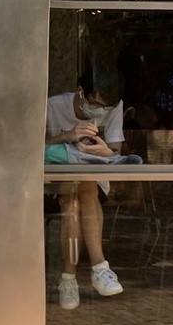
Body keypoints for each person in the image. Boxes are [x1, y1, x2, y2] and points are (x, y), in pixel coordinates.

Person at [45, 73, 129, 310]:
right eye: (94, 104)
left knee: (78, 196)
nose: (100, 111)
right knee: (77, 192)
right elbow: (30, 146)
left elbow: (115, 151)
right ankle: (99, 268)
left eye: (105, 107)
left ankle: (68, 279)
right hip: (54, 183)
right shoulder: (53, 107)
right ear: (80, 92)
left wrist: (105, 151)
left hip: (91, 181)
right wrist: (68, 136)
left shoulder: (115, 107)